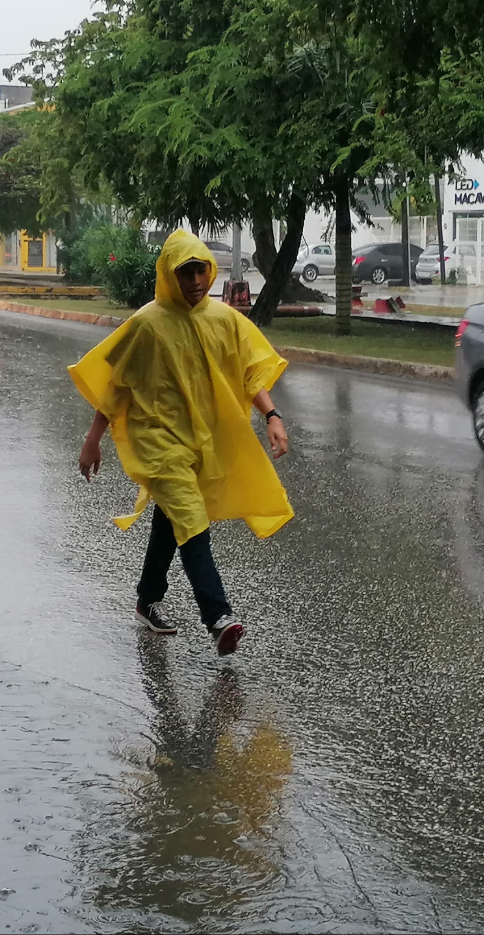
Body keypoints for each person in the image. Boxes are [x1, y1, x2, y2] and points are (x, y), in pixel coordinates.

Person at [70, 230, 293, 656]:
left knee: (172, 517)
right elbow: (116, 389)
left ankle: (146, 598)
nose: (194, 280)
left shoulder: (223, 319)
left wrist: (272, 415)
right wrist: (92, 441)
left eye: (200, 270)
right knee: (191, 519)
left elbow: (250, 373)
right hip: (157, 442)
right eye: (185, 272)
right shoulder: (148, 324)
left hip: (200, 439)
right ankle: (219, 616)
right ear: (170, 275)